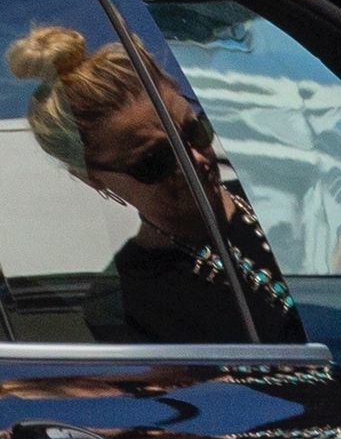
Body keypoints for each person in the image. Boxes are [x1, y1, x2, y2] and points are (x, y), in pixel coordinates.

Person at [5, 25, 297, 344]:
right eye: (155, 160)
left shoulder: (292, 198)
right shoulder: (123, 304)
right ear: (92, 178)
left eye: (195, 130)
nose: (195, 159)